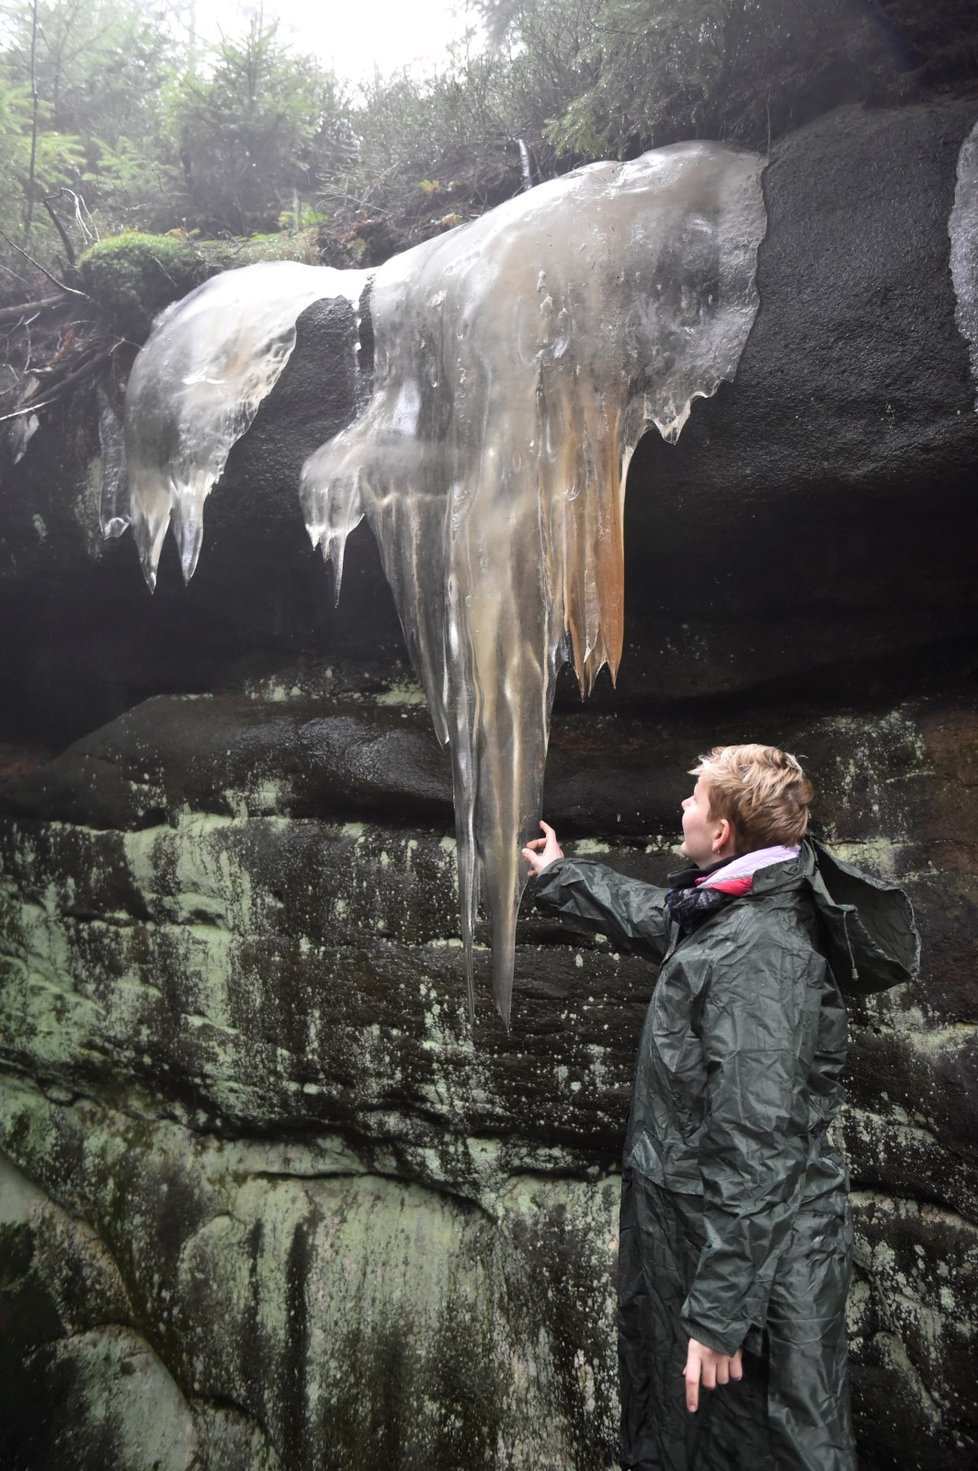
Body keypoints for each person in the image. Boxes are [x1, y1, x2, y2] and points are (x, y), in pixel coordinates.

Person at [522, 744, 919, 1471]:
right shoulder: (742, 898)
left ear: (725, 830)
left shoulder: (762, 953)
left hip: (748, 1271)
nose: (682, 807)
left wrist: (719, 1314)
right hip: (715, 1245)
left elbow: (757, 1142)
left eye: (694, 798)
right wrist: (562, 875)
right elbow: (659, 917)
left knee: (749, 1445)